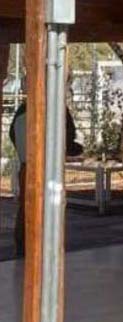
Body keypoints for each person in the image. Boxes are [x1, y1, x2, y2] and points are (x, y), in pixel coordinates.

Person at [10, 101, 83, 258]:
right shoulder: (56, 106)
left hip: (27, 165)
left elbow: (12, 134)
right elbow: (69, 136)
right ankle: (43, 246)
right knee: (50, 206)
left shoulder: (23, 109)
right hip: (47, 166)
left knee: (26, 206)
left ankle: (23, 246)